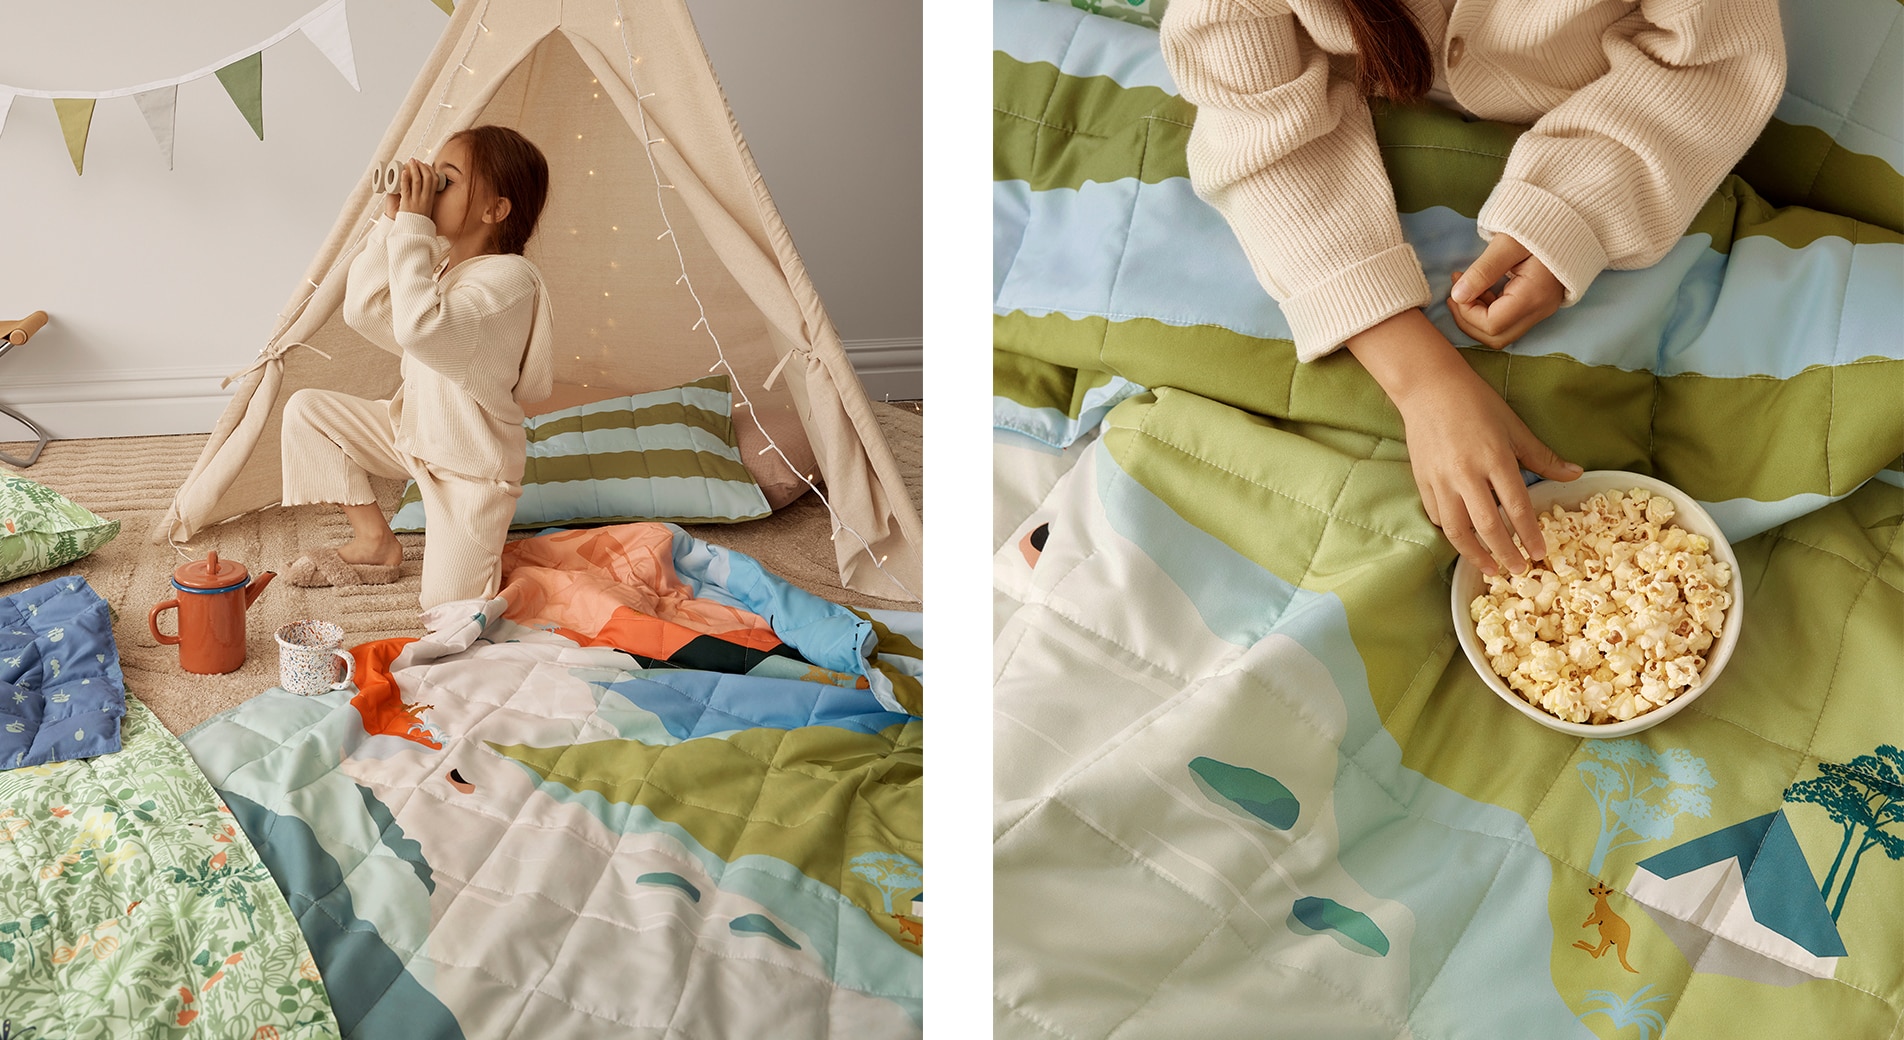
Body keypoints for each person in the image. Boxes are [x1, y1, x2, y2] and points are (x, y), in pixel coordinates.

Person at [1160, 0, 1785, 576]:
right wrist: (1420, 379)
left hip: (1619, 147)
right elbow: (1246, 109)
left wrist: (1569, 215)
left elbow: (1713, 64)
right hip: (1316, 164)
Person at [280, 124, 554, 609]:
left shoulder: (510, 282)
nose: (427, 188)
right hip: (413, 436)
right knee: (306, 412)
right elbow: (363, 309)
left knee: (448, 614)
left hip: (468, 472)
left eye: (445, 180)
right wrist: (392, 223)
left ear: (494, 210)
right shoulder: (443, 267)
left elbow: (420, 328)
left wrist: (412, 227)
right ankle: (375, 543)